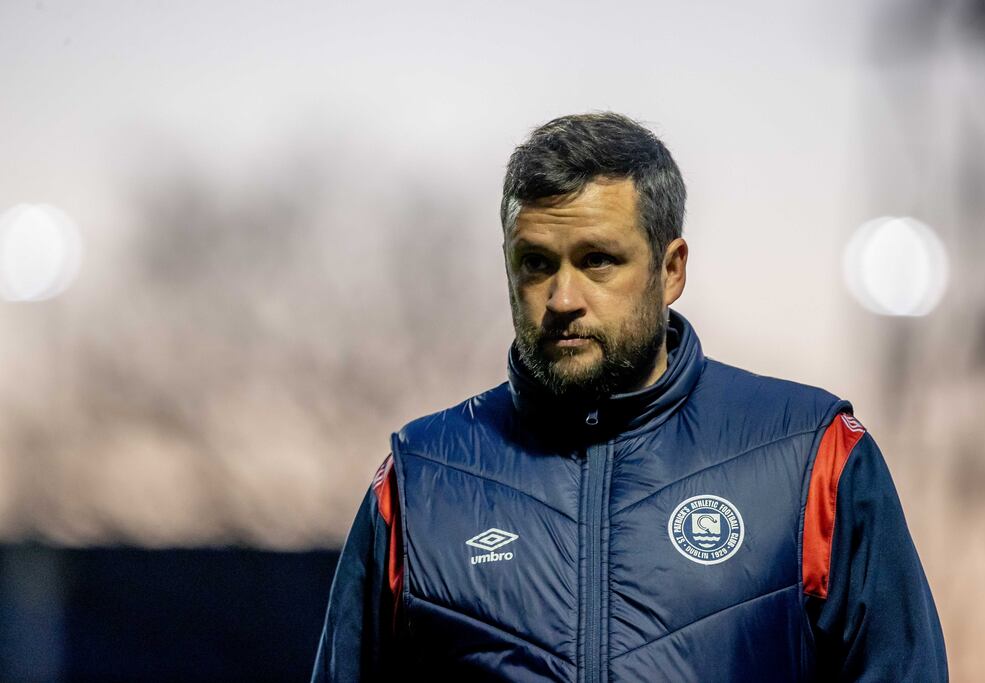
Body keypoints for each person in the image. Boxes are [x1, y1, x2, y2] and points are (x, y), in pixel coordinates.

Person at [311, 112, 948, 682]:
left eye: (598, 261)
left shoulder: (815, 458)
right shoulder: (420, 480)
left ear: (671, 269)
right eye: (536, 264)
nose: (562, 299)